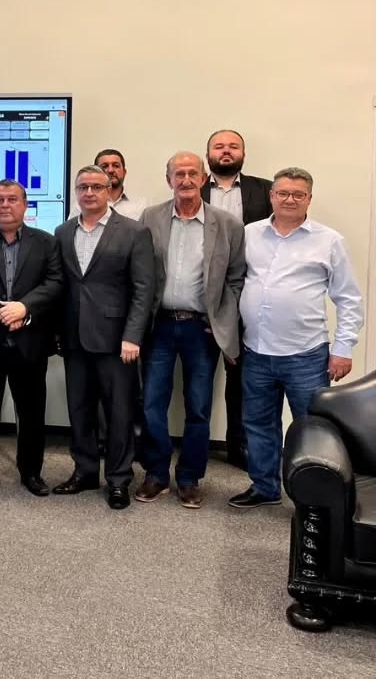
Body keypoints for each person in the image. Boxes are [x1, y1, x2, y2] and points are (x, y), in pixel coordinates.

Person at [229, 166, 363, 509]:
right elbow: (234, 284)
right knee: (258, 424)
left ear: (309, 199)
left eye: (298, 194)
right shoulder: (250, 234)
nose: (289, 199)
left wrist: (343, 349)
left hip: (306, 355)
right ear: (272, 196)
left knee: (313, 430)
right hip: (256, 351)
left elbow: (348, 298)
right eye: (283, 193)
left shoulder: (328, 240)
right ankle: (264, 487)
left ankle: (314, 499)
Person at [135, 152, 245, 510]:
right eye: (178, 174)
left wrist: (221, 320)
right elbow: (140, 272)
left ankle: (189, 478)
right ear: (168, 179)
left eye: (192, 173)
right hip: (159, 325)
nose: (185, 180)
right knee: (152, 403)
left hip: (201, 329)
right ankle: (156, 473)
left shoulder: (227, 224)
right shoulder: (150, 218)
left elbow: (236, 279)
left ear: (203, 178)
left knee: (198, 407)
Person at [53, 165, 154, 509]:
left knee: (118, 413)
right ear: (76, 192)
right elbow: (61, 287)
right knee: (79, 409)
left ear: (109, 190)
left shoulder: (134, 232)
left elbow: (143, 290)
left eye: (97, 187)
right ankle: (84, 472)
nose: (89, 193)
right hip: (74, 338)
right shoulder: (63, 232)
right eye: (83, 187)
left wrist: (133, 336)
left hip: (116, 341)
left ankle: (119, 479)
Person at [0, 179, 63, 496]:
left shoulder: (46, 242)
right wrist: (5, 311)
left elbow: (55, 282)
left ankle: (31, 471)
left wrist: (24, 308)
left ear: (25, 205)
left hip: (30, 339)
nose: (5, 205)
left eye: (12, 199)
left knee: (31, 410)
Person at [200, 128, 273, 469]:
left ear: (243, 153)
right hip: (202, 300)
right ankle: (194, 446)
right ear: (208, 154)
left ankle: (238, 446)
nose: (226, 151)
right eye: (219, 146)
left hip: (247, 298)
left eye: (233, 146)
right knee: (199, 377)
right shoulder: (193, 189)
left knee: (241, 380)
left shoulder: (264, 190)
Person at [70, 149, 149, 220]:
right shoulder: (82, 206)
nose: (110, 170)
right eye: (104, 166)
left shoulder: (141, 205)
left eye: (116, 166)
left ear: (124, 172)